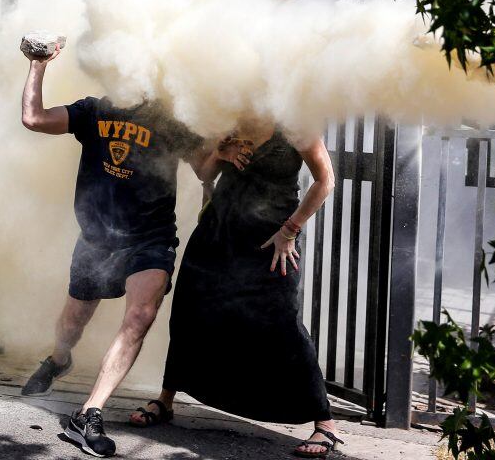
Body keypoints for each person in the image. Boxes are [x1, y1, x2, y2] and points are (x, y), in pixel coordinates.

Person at [19, 43, 209, 458]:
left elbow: (205, 167)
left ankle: (89, 414)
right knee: (73, 322)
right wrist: (37, 66)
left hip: (150, 237)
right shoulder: (93, 111)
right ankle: (58, 359)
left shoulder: (169, 120)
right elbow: (33, 118)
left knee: (140, 316)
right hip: (97, 239)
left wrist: (221, 150)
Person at [130, 119, 344, 459]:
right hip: (218, 229)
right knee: (190, 309)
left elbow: (325, 180)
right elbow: (204, 173)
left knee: (281, 322)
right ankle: (167, 399)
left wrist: (290, 230)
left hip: (271, 240)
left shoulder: (295, 122)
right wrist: (220, 152)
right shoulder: (231, 118)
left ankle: (325, 423)